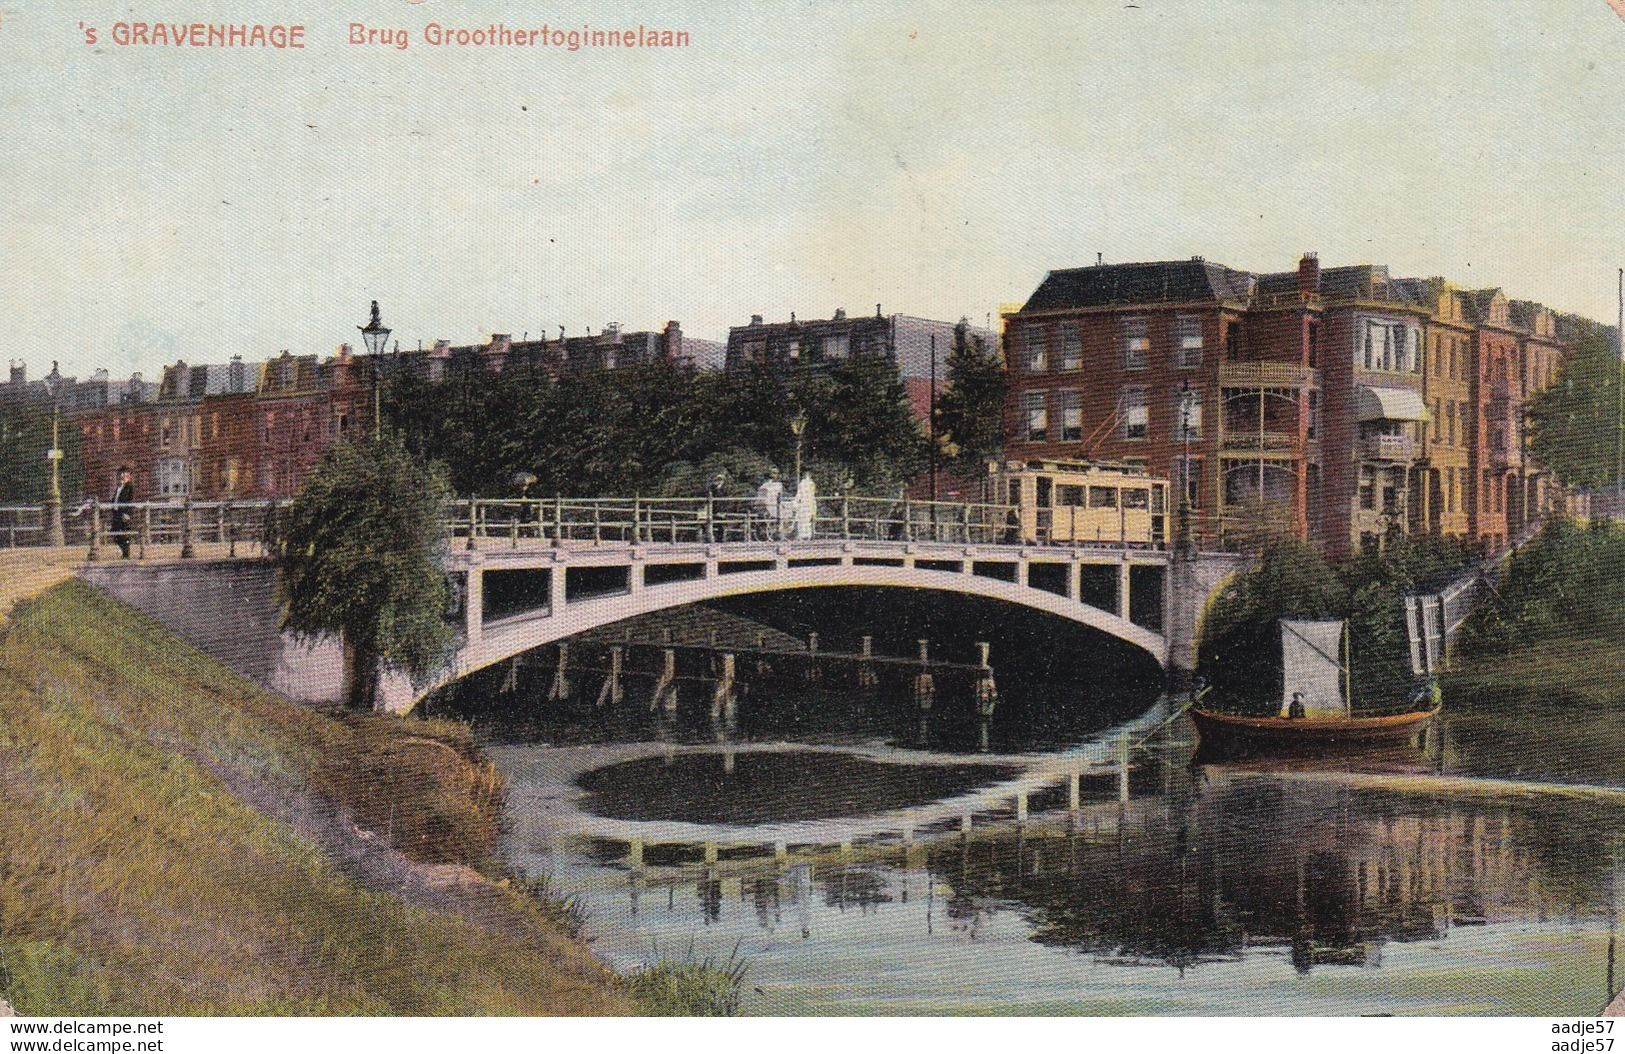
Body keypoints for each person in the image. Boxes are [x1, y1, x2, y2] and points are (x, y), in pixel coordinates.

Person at [109, 466, 134, 559]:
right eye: (121, 474)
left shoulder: (129, 487)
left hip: (123, 514)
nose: (122, 476)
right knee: (114, 533)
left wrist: (127, 513)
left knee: (124, 534)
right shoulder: (119, 488)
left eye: (125, 474)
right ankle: (123, 552)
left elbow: (129, 501)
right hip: (116, 513)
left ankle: (126, 555)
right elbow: (115, 500)